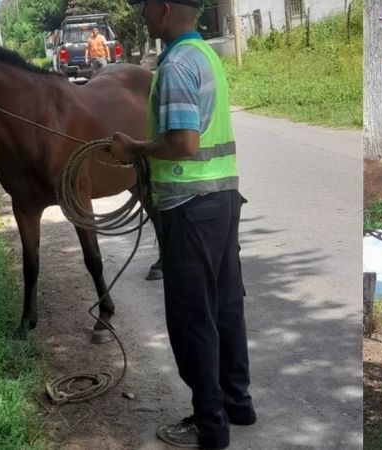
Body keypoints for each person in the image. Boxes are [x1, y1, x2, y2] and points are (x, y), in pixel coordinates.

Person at [107, 0, 255, 448]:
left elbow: (184, 143)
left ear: (164, 10)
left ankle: (210, 424)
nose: (143, 15)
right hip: (223, 199)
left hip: (189, 207)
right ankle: (238, 403)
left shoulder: (173, 66)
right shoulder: (206, 54)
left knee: (193, 317)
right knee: (226, 306)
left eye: (147, 7)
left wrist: (133, 147)